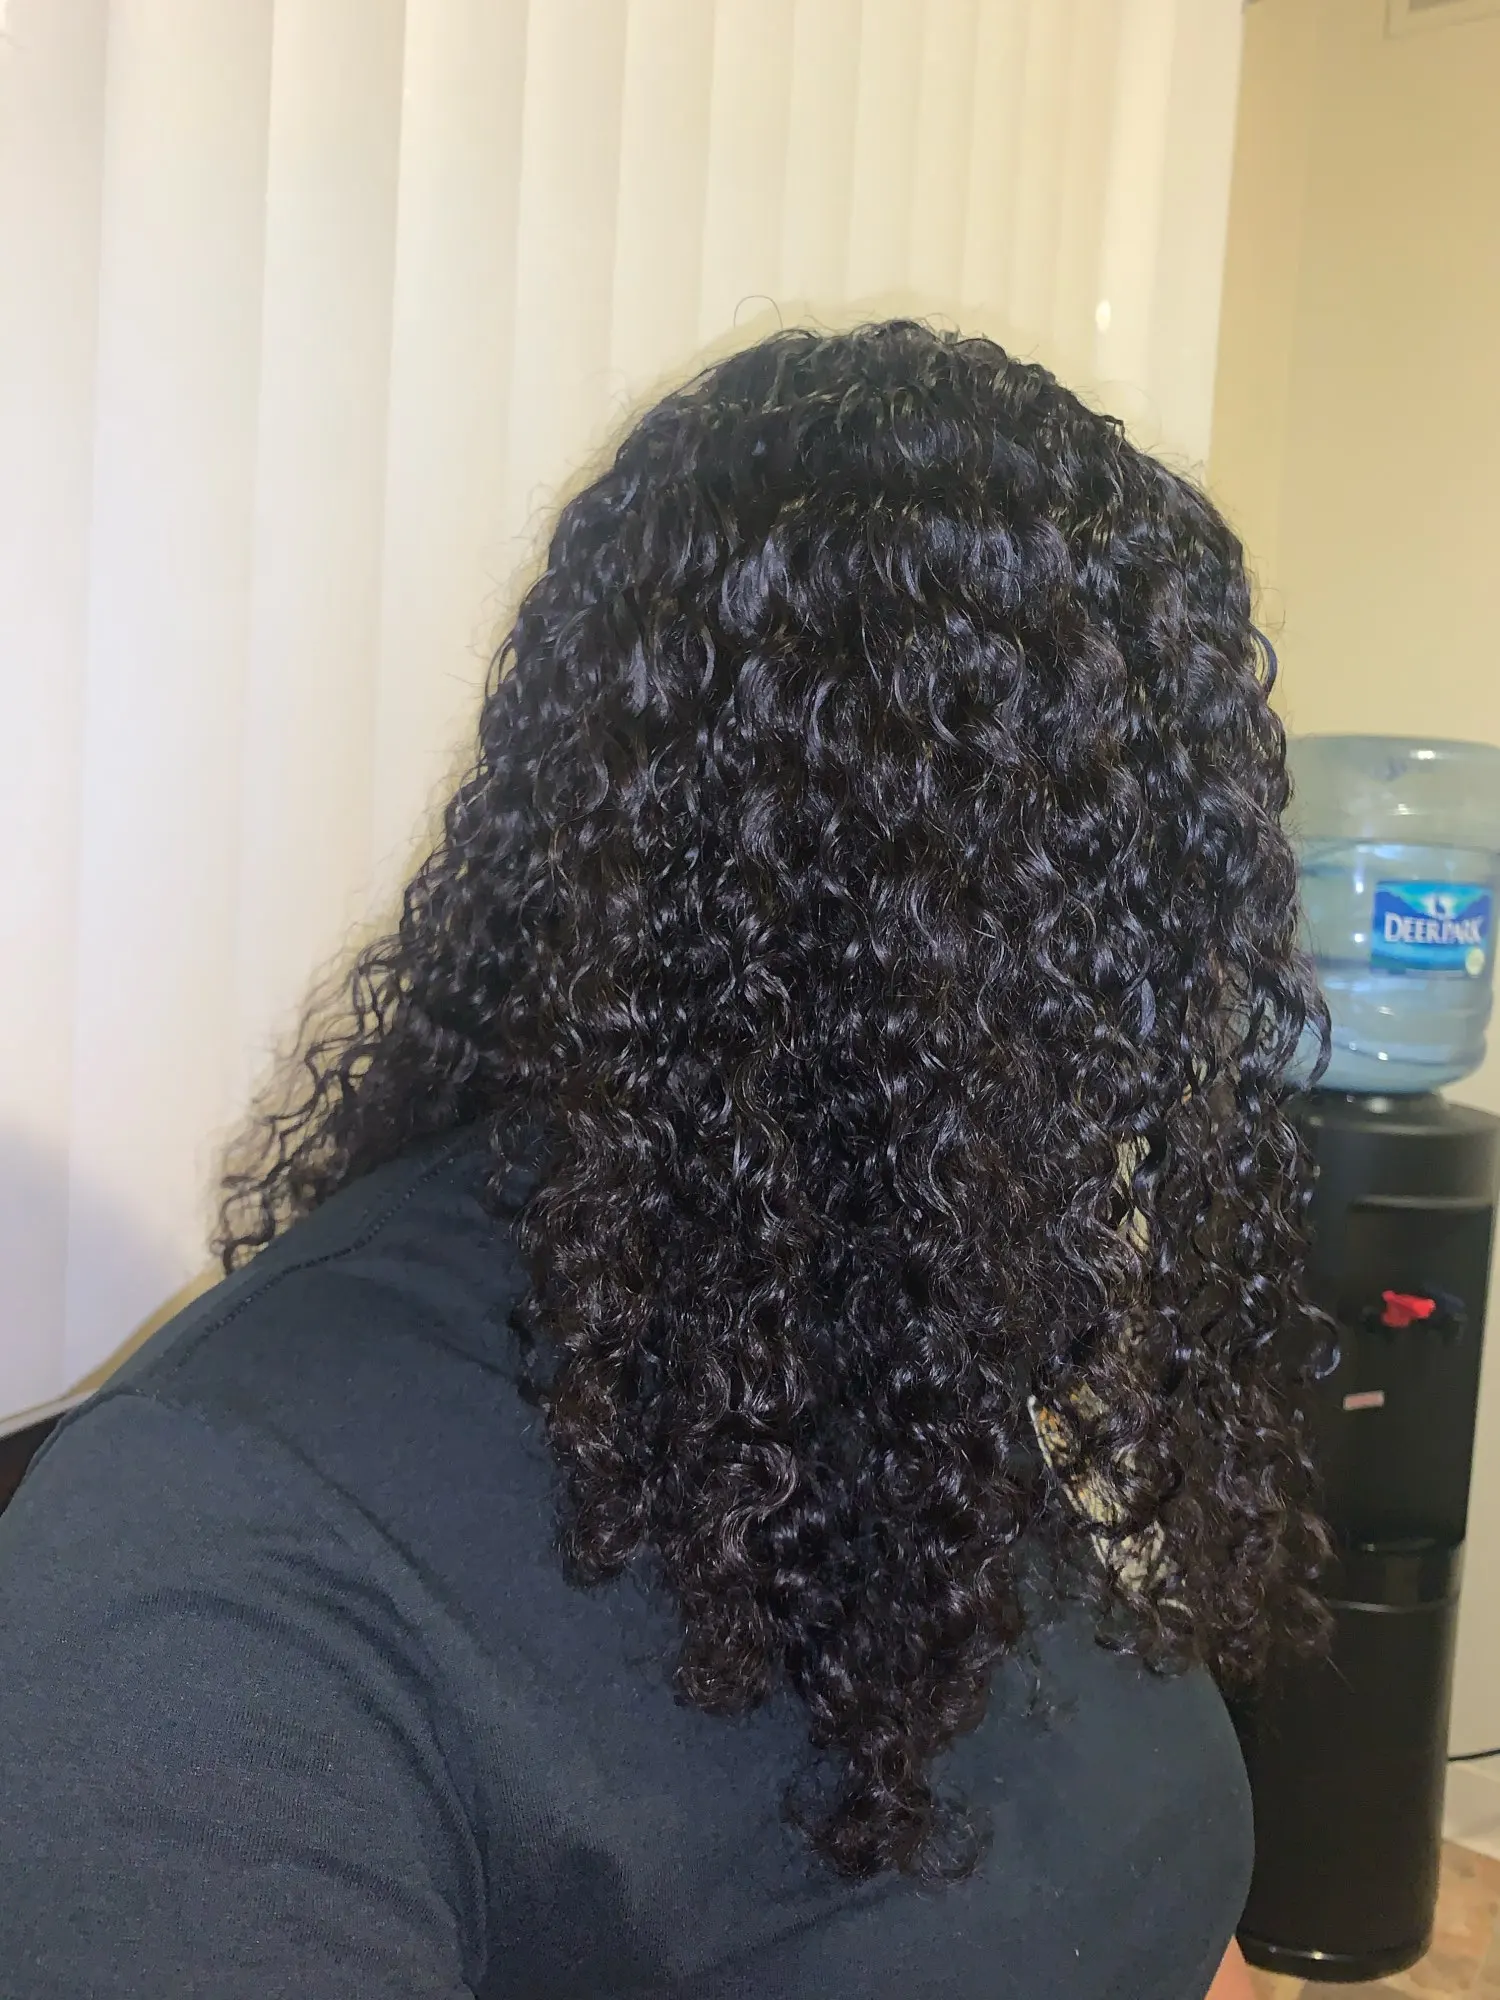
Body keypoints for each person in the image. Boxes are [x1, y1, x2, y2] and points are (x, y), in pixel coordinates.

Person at [0, 323, 1326, 1998]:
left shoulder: (876, 1304)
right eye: (1103, 903)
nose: (1166, 995)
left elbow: (1133, 1878)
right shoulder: (217, 1569)